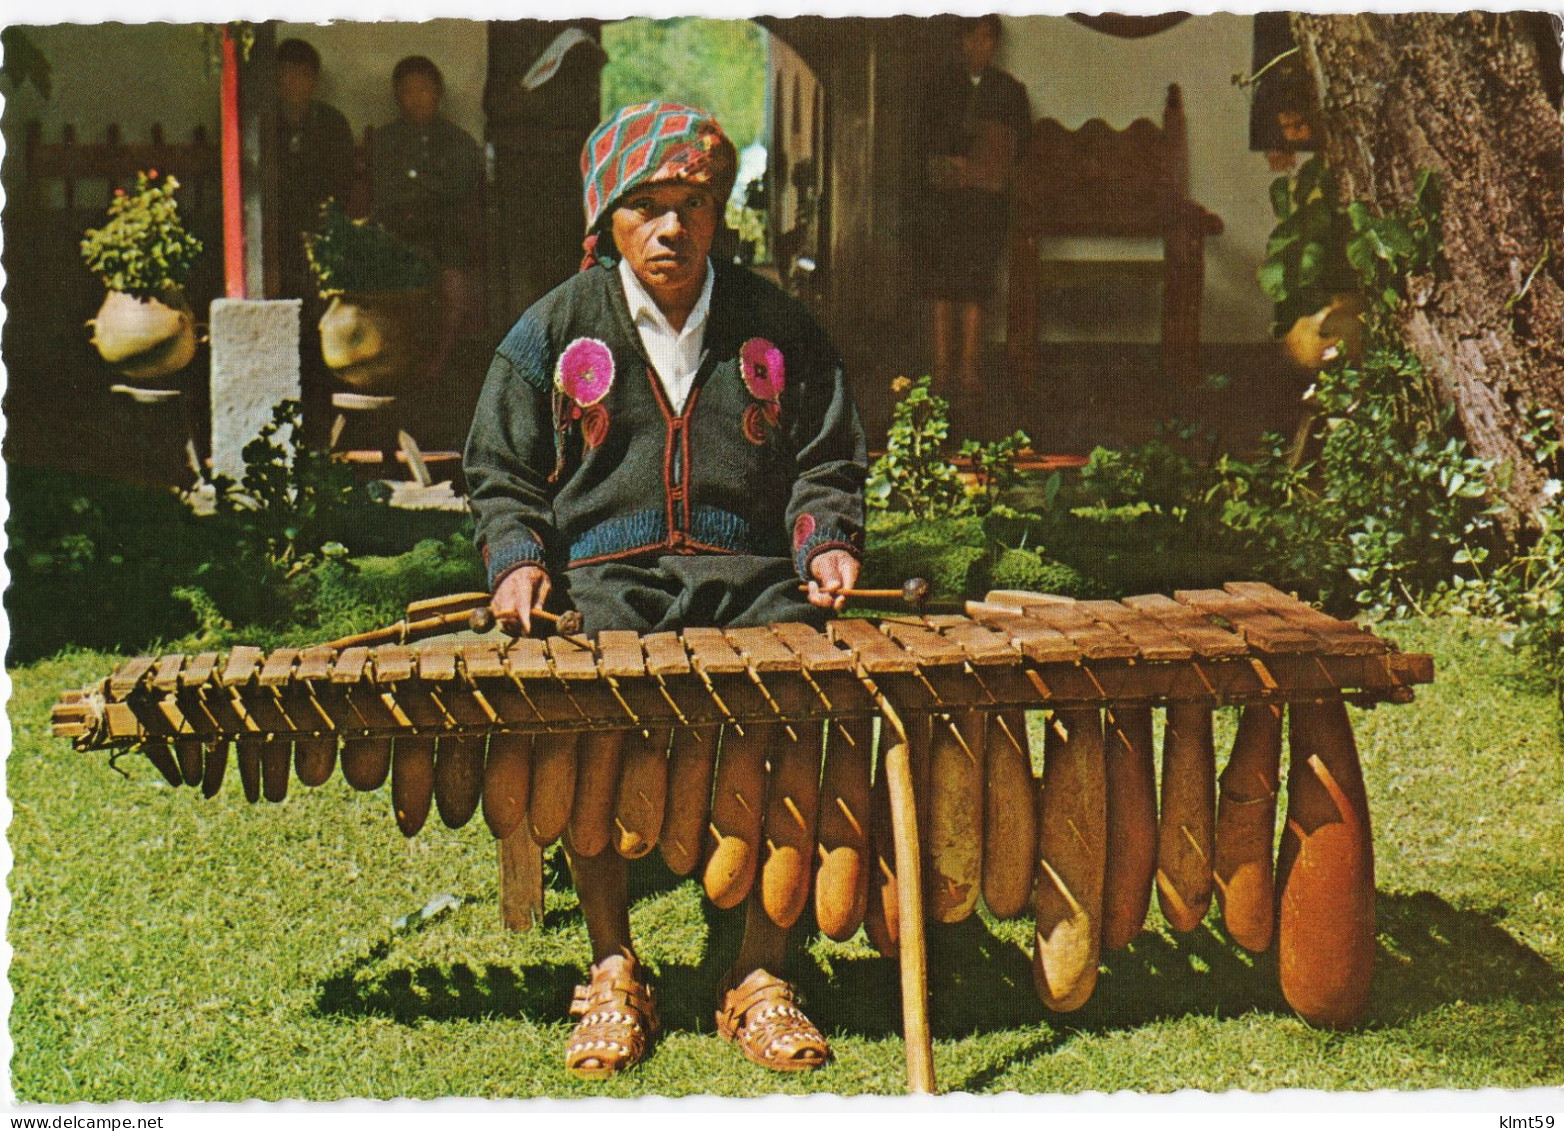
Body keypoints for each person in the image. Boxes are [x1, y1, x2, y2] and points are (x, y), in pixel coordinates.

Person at [464, 101, 866, 1080]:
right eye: (646, 206)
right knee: (586, 735)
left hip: (754, 583)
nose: (672, 227)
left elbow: (826, 461)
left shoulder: (777, 327)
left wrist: (824, 543)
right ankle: (614, 967)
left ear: (719, 210)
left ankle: (758, 974)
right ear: (608, 218)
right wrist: (518, 557)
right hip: (607, 584)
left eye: (691, 203)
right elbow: (499, 469)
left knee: (801, 715)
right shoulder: (553, 329)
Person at [916, 15, 1032, 395]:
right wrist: (949, 163)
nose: (978, 46)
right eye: (971, 38)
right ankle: (941, 368)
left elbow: (1020, 148)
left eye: (986, 39)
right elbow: (924, 141)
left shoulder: (1010, 91)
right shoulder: (938, 87)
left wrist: (988, 168)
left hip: (985, 205)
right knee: (942, 284)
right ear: (961, 41)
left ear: (994, 44)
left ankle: (969, 370)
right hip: (945, 203)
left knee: (976, 285)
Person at [371, 55, 483, 385]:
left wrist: (418, 186)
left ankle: (436, 364)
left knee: (451, 281)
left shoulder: (459, 141)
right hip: (397, 233)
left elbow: (459, 189)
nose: (416, 98)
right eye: (407, 91)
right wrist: (426, 186)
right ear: (397, 96)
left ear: (438, 93)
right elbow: (386, 191)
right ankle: (393, 362)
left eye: (424, 90)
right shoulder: (383, 139)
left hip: (443, 233)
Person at [275, 37, 355, 445]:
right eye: (285, 75)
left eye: (302, 76)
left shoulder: (331, 124)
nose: (293, 84)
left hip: (319, 247)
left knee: (319, 333)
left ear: (314, 80)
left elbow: (340, 189)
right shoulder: (262, 123)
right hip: (273, 246)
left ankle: (318, 428)